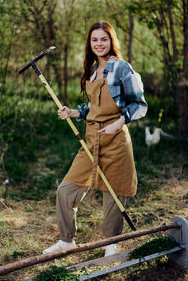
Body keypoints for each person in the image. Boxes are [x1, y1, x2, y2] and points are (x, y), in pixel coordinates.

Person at [42, 21, 147, 256]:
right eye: (94, 40)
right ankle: (67, 240)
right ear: (90, 44)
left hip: (116, 141)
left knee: (113, 195)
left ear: (111, 41)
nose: (99, 44)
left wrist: (118, 123)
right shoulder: (91, 69)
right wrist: (74, 112)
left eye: (104, 39)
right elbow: (93, 106)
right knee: (65, 191)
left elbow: (140, 105)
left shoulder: (122, 68)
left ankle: (111, 244)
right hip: (91, 140)